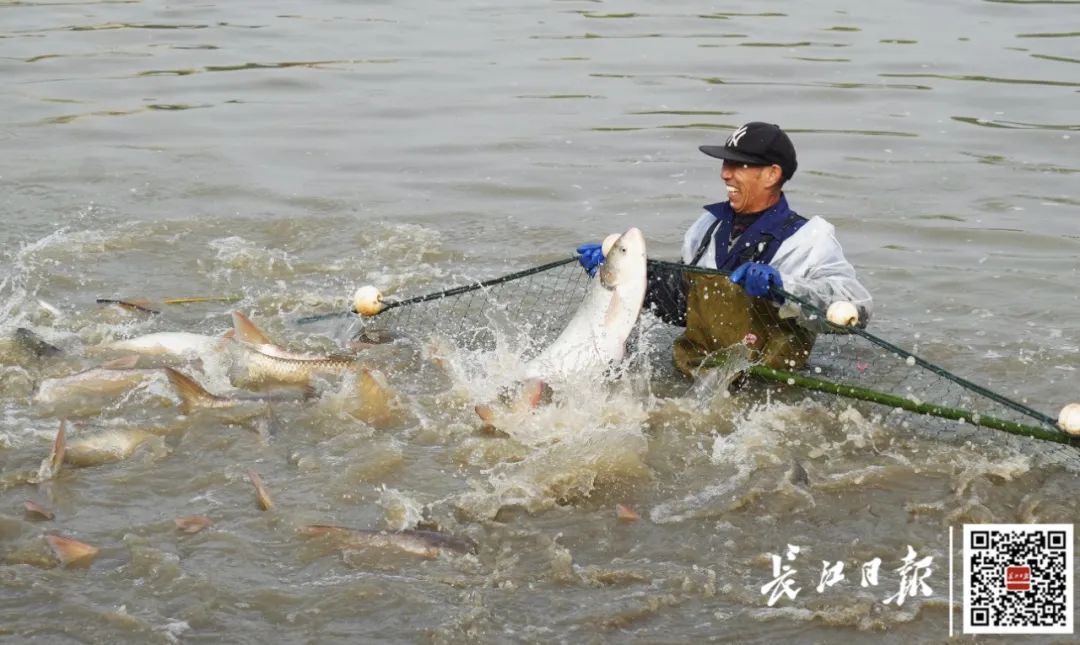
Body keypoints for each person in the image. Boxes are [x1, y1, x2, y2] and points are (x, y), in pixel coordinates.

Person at [577, 121, 872, 377]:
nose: (725, 174)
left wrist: (782, 286)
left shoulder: (809, 239)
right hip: (694, 372)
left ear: (771, 174)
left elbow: (855, 309)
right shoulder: (707, 227)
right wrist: (625, 276)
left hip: (769, 385)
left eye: (737, 165)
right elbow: (682, 305)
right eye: (725, 163)